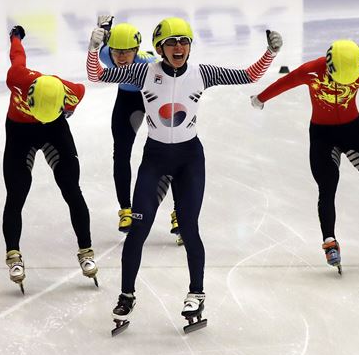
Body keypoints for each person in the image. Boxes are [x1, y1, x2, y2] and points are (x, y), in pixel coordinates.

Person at [86, 17, 282, 334]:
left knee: (189, 228)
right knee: (138, 230)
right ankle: (127, 295)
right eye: (172, 43)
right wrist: (94, 49)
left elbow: (249, 75)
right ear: (160, 47)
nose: (179, 48)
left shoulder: (202, 72)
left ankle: (196, 293)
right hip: (155, 159)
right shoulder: (142, 71)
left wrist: (271, 54)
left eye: (184, 41)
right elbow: (95, 75)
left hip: (190, 160)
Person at [251, 39, 359, 274]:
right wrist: (260, 98)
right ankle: (329, 241)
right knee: (327, 188)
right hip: (322, 137)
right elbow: (285, 82)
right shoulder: (311, 70)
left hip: (354, 132)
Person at [4, 25, 98, 294]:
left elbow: (81, 92)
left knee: (71, 189)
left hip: (54, 132)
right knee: (17, 193)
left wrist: (65, 113)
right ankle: (13, 254)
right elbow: (17, 55)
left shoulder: (73, 91)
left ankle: (86, 250)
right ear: (29, 96)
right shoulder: (17, 78)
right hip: (19, 132)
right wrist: (16, 35)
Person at [95, 16, 183, 245]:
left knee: (171, 151)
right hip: (127, 101)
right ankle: (125, 210)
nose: (121, 57)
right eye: (117, 52)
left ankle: (180, 213)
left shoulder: (149, 62)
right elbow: (101, 47)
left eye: (127, 52)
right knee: (121, 153)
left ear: (137, 50)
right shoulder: (106, 54)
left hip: (153, 97)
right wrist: (104, 28)